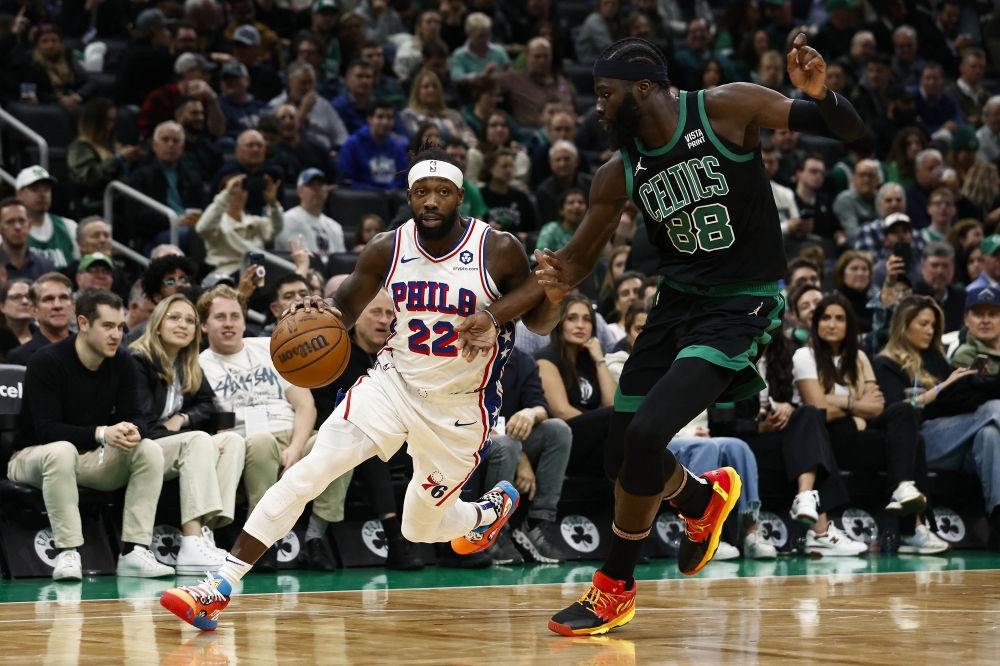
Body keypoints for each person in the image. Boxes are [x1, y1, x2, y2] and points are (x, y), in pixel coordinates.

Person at [451, 34, 867, 635]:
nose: (596, 107)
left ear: (643, 88)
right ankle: (701, 500)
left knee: (647, 434)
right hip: (675, 305)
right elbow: (577, 260)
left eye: (604, 93)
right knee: (624, 455)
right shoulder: (618, 172)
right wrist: (550, 277)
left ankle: (614, 589)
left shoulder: (727, 107)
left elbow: (847, 131)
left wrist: (821, 93)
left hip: (740, 303)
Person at [160, 147, 561, 629]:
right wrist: (316, 310)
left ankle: (484, 512)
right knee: (309, 471)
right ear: (409, 196)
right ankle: (218, 585)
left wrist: (500, 314)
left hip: (458, 407)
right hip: (391, 386)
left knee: (420, 526)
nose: (430, 201)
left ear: (459, 195)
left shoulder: (496, 248)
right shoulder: (387, 246)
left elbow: (539, 307)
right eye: (420, 192)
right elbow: (342, 309)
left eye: (442, 192)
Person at [9, 289, 174, 581]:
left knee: (148, 449)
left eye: (121, 327)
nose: (117, 335)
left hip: (86, 458)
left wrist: (133, 432)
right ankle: (68, 551)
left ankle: (135, 550)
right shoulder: (46, 361)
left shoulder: (122, 361)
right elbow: (46, 430)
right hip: (31, 457)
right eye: (108, 326)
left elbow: (137, 415)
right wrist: (101, 433)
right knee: (61, 450)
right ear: (83, 323)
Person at [195, 284, 351, 572]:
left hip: (292, 434)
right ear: (204, 324)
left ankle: (316, 538)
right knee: (262, 440)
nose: (229, 323)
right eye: (220, 317)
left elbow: (305, 405)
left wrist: (294, 448)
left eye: (235, 316)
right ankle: (261, 542)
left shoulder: (271, 347)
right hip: (246, 442)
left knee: (340, 441)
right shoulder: (199, 364)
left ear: (244, 320)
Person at [797, 294, 947, 555]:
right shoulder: (804, 356)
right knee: (912, 440)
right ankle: (913, 527)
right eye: (826, 318)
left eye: (840, 318)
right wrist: (855, 405)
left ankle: (903, 490)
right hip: (829, 441)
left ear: (849, 325)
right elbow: (818, 411)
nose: (832, 324)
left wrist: (839, 401)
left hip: (860, 435)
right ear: (816, 323)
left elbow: (878, 405)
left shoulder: (860, 357)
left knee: (903, 411)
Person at [130, 294, 246, 573]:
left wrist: (183, 418)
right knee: (199, 441)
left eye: (190, 321)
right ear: (157, 324)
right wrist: (196, 440)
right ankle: (191, 543)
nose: (183, 324)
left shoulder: (186, 362)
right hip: (141, 447)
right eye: (174, 318)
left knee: (232, 441)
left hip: (172, 444)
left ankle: (203, 535)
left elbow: (207, 404)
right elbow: (142, 424)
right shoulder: (138, 360)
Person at [874, 295, 995, 550]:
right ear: (904, 325)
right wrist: (944, 386)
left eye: (933, 326)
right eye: (923, 324)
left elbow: (951, 406)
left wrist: (971, 385)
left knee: (990, 435)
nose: (930, 331)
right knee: (995, 409)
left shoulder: (936, 359)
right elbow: (898, 411)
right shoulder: (886, 363)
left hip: (951, 439)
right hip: (916, 443)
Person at [485, 343, 572, 565]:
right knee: (508, 445)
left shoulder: (522, 359)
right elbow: (467, 413)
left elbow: (542, 406)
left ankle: (537, 523)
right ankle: (492, 529)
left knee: (558, 429)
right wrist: (521, 459)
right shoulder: (466, 353)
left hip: (511, 441)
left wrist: (531, 413)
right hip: (471, 440)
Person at [534, 294, 617, 481]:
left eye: (587, 320)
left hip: (591, 439)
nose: (580, 325)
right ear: (559, 322)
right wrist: (601, 425)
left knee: (618, 454)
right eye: (572, 318)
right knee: (615, 417)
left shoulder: (588, 363)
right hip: (562, 437)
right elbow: (561, 411)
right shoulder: (546, 358)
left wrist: (599, 359)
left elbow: (611, 402)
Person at [126, 121, 205, 253]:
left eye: (175, 140)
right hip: (157, 233)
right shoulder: (141, 176)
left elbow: (204, 205)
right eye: (165, 139)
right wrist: (173, 221)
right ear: (155, 145)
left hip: (191, 228)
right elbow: (137, 213)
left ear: (182, 147)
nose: (170, 144)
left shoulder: (192, 177)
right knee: (193, 236)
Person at [197, 172, 283, 276]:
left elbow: (275, 229)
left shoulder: (254, 222)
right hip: (226, 275)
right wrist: (226, 196)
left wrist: (272, 203)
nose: (239, 193)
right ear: (223, 193)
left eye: (243, 189)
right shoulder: (216, 224)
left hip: (258, 275)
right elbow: (203, 228)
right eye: (234, 189)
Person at [67, 98, 143, 204]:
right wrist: (118, 159)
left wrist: (134, 160)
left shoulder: (115, 145)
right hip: (101, 200)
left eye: (113, 120)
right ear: (94, 122)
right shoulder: (81, 146)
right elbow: (88, 178)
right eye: (108, 120)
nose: (112, 125)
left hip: (122, 196)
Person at [138, 52, 224, 143]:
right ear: (188, 72)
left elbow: (218, 132)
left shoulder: (204, 97)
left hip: (197, 147)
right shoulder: (160, 97)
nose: (208, 77)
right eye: (203, 72)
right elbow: (145, 134)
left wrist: (212, 99)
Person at [270, 61, 349, 152]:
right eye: (303, 83)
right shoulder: (275, 105)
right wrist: (301, 114)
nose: (308, 88)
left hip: (325, 153)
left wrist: (337, 150)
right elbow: (277, 140)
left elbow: (341, 134)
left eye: (311, 83)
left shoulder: (323, 104)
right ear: (289, 81)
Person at [496, 37, 574, 128]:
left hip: (570, 128)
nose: (542, 61)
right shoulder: (513, 79)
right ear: (527, 57)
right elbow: (483, 84)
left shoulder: (560, 79)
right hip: (534, 129)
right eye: (537, 56)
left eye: (546, 56)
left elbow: (573, 105)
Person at [274, 168, 345, 263]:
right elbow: (300, 258)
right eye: (310, 185)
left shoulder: (335, 226)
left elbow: (340, 262)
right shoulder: (288, 219)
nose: (317, 189)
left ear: (327, 190)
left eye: (320, 184)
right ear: (299, 191)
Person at [15, 166, 78, 270]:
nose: (42, 195)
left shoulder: (69, 226)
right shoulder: (9, 231)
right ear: (19, 194)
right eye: (35, 189)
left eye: (47, 189)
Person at [210, 129, 286, 216]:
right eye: (250, 145)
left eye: (260, 145)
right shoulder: (225, 174)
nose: (255, 149)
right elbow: (212, 206)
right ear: (237, 151)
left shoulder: (274, 174)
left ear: (265, 151)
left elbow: (283, 208)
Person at [337, 100, 409, 190]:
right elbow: (347, 181)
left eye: (389, 117)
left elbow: (404, 180)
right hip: (363, 199)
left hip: (393, 199)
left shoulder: (398, 148)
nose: (385, 122)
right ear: (369, 119)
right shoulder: (352, 145)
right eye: (380, 117)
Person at [113, 9, 177, 106]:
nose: (169, 33)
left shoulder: (133, 47)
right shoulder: (145, 54)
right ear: (154, 30)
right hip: (134, 107)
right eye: (165, 28)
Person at [7, 272, 74, 365]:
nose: (57, 305)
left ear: (73, 307)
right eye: (48, 299)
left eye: (63, 298)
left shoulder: (90, 351)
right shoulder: (18, 358)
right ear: (34, 310)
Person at [399, 70, 473, 144]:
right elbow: (416, 137)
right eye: (426, 86)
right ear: (417, 91)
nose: (431, 90)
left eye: (435, 86)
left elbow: (471, 137)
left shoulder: (454, 115)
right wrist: (450, 131)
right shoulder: (409, 115)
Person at [478, 148, 538, 238]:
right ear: (490, 168)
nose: (509, 170)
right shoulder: (479, 196)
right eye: (504, 166)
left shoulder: (521, 197)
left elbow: (532, 232)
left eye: (511, 166)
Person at [271, 104, 339, 182]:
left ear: (298, 121)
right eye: (282, 118)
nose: (288, 122)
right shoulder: (272, 152)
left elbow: (335, 176)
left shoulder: (317, 147)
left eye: (292, 117)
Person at [467, 110, 530, 192]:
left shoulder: (519, 157)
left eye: (504, 125)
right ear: (485, 130)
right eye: (493, 125)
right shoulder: (474, 154)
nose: (499, 129)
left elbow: (520, 186)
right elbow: (471, 183)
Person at [535, 142, 594, 226]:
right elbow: (549, 222)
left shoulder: (592, 184)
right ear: (550, 164)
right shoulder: (544, 191)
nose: (562, 164)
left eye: (567, 159)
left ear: (577, 161)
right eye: (558, 160)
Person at [0, 198, 57, 281]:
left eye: (22, 221)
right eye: (10, 222)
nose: (17, 227)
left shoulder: (46, 267)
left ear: (29, 225)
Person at [913, 242, 964, 334]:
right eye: (934, 265)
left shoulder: (961, 296)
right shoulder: (911, 293)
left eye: (945, 266)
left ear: (953, 269)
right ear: (923, 268)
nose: (940, 271)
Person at [217, 62, 271, 142]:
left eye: (235, 78)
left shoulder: (259, 106)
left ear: (247, 80)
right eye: (226, 78)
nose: (230, 82)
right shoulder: (218, 106)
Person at [449, 12, 510, 82]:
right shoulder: (459, 55)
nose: (484, 40)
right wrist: (482, 76)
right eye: (480, 37)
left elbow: (509, 74)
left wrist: (504, 75)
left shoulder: (499, 52)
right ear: (468, 34)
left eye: (487, 35)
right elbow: (456, 78)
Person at [176, 96, 225, 181]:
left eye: (201, 113)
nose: (200, 118)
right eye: (194, 113)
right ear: (179, 115)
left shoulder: (209, 149)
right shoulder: (168, 147)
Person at [953, 287, 1000, 374]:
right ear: (966, 320)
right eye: (979, 314)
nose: (986, 321)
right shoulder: (965, 355)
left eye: (992, 314)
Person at [833, 158, 881, 242]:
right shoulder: (844, 199)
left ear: (877, 180)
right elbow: (853, 234)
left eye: (871, 175)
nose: (866, 179)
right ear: (853, 179)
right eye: (862, 175)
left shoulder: (882, 199)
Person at [833, 250, 874, 333]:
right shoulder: (834, 304)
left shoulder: (875, 305)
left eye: (864, 269)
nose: (860, 273)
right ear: (842, 273)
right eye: (854, 269)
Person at [945, 50, 990, 127]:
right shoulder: (950, 93)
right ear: (962, 67)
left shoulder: (987, 95)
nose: (978, 71)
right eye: (973, 66)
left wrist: (977, 119)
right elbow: (960, 122)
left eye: (981, 67)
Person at [0, 278, 35, 349]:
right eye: (16, 297)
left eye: (29, 297)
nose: (25, 301)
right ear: (2, 306)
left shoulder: (45, 336)